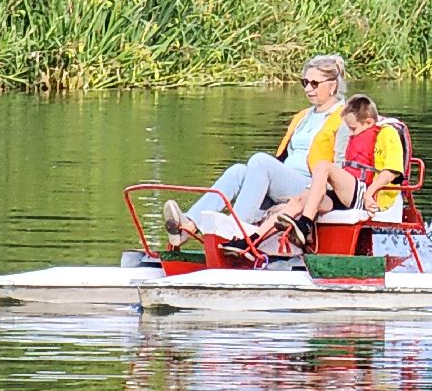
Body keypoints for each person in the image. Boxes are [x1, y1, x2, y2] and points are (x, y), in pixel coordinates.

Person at [162, 54, 349, 246]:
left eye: (315, 83)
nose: (308, 88)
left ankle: (238, 230)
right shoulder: (304, 116)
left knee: (260, 161)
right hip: (286, 180)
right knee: (238, 171)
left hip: (312, 187)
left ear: (333, 85)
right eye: (305, 82)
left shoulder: (344, 118)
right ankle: (188, 226)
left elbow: (342, 170)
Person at [265, 94, 404, 251]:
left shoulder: (387, 133)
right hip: (350, 192)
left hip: (371, 195)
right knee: (300, 200)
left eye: (353, 129)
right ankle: (252, 241)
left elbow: (392, 171)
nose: (350, 134)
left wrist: (369, 193)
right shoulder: (357, 136)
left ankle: (305, 224)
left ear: (369, 122)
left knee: (323, 166)